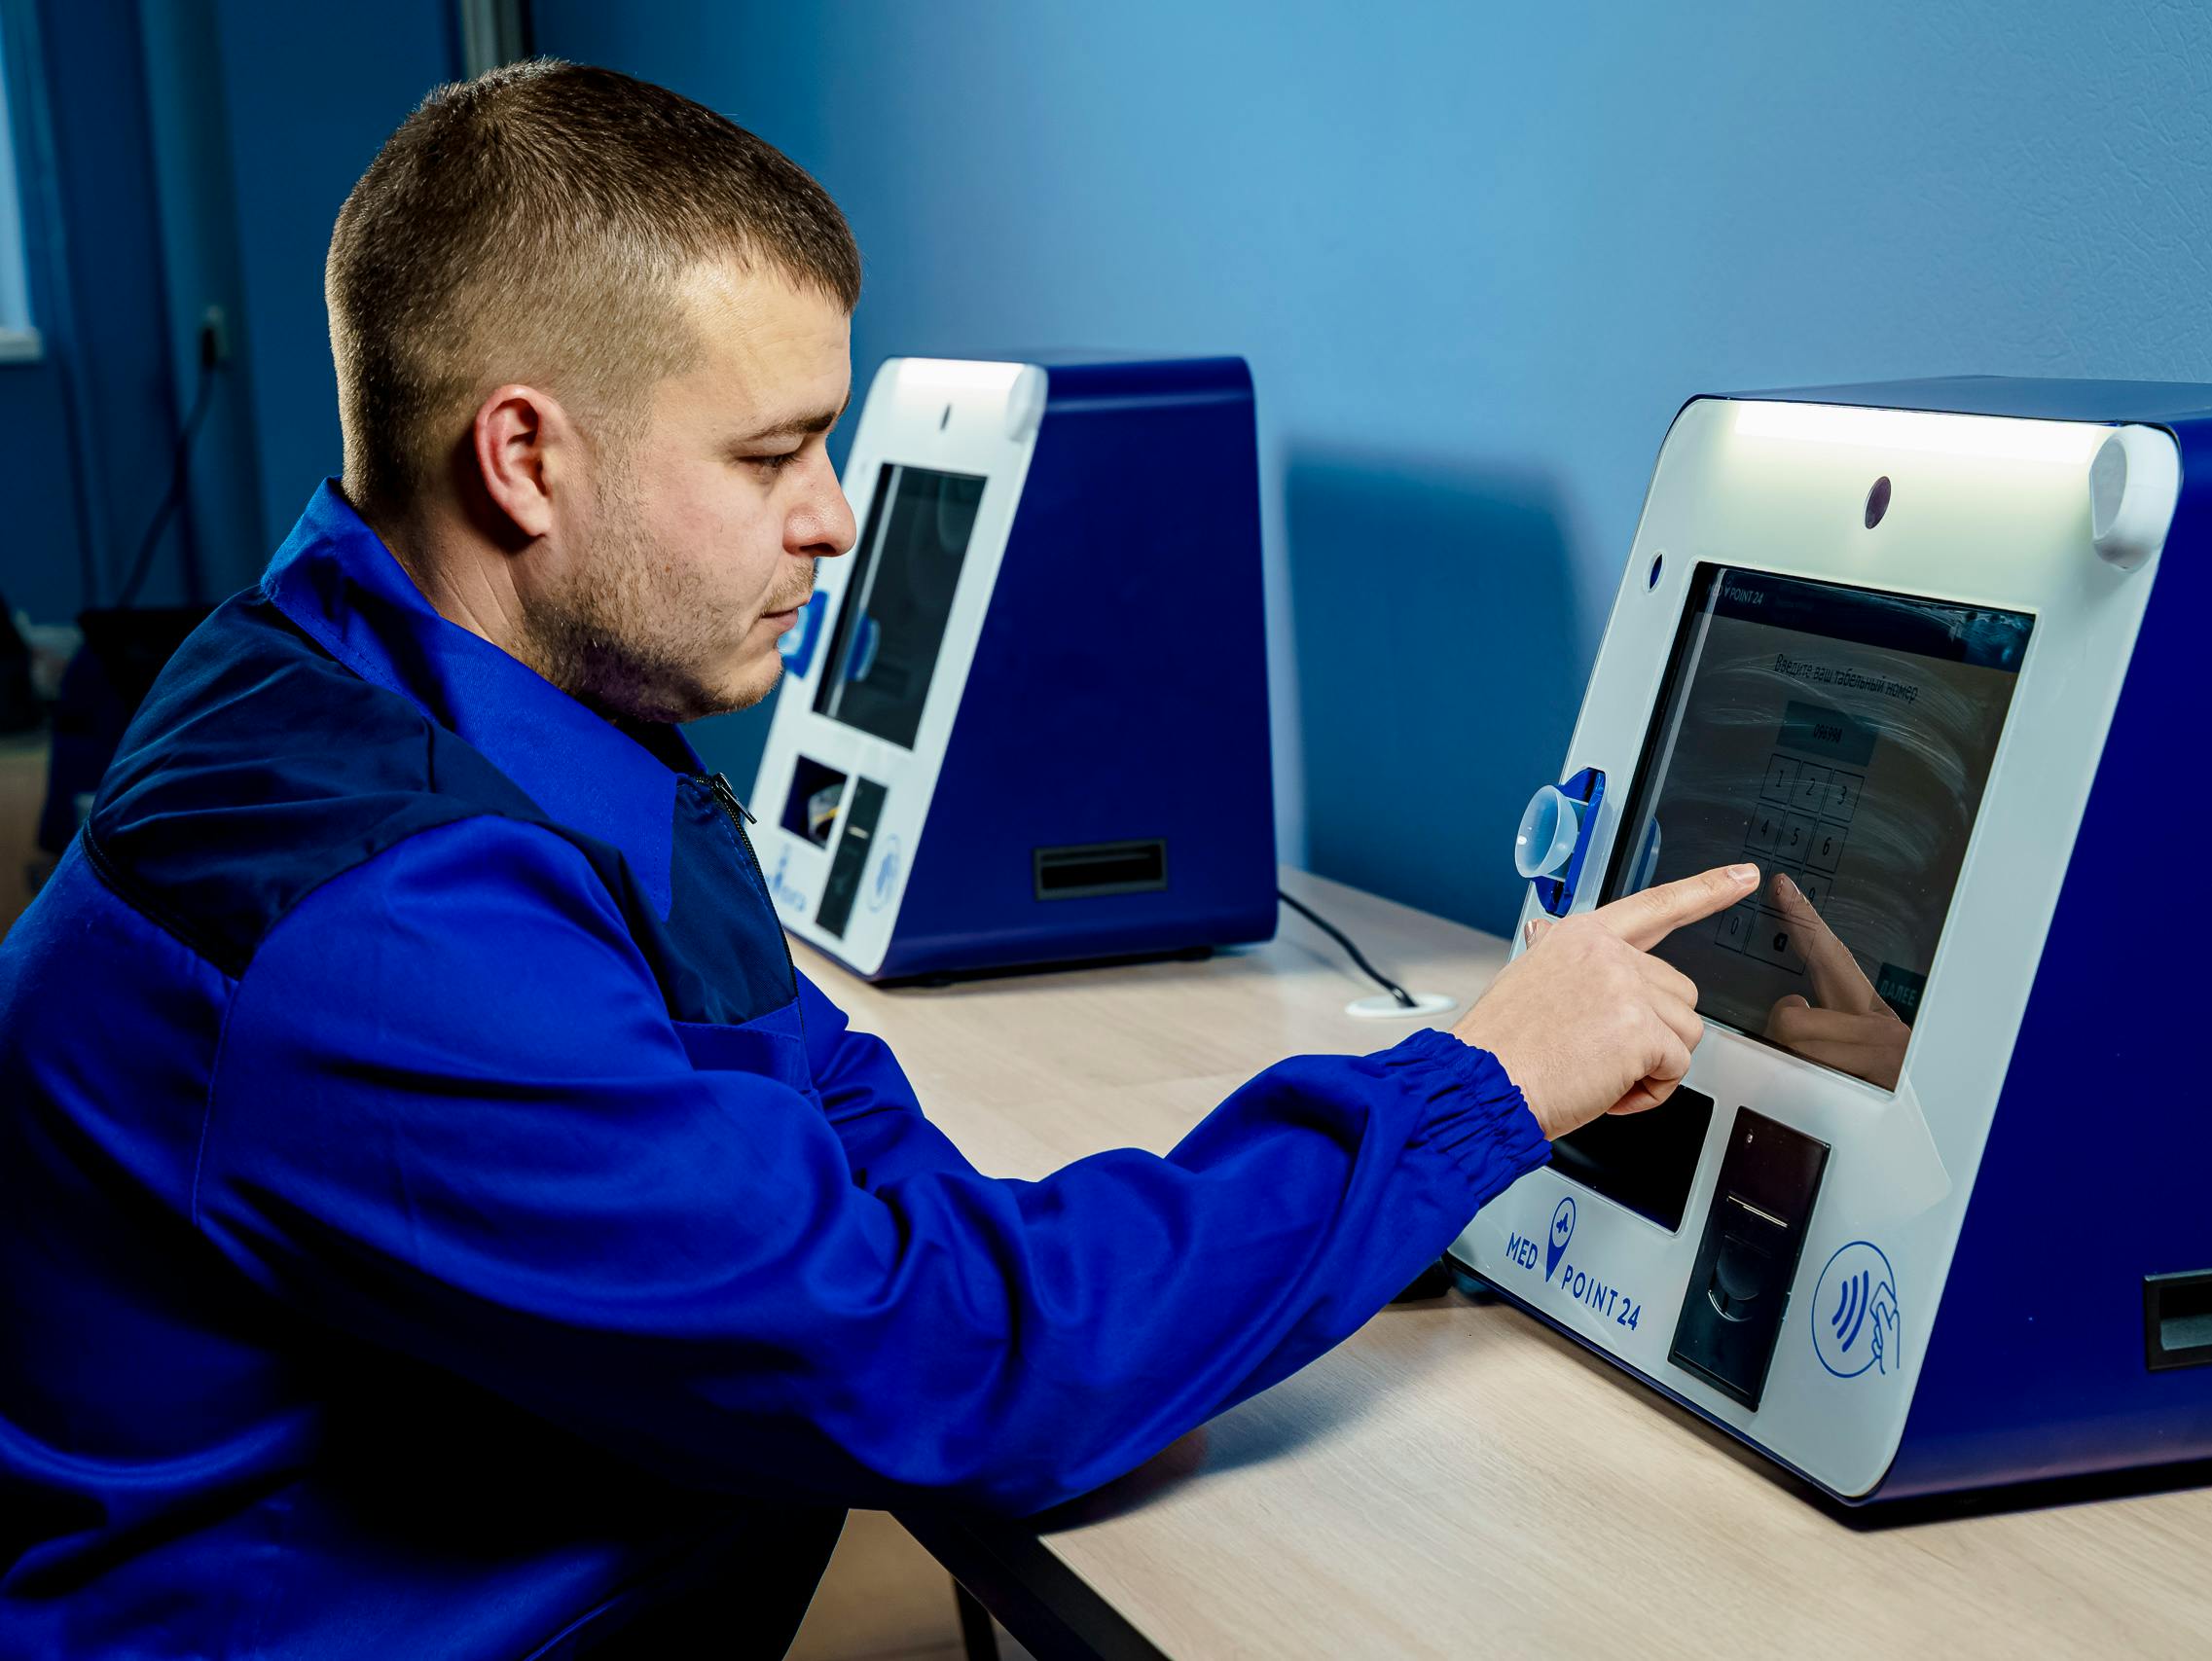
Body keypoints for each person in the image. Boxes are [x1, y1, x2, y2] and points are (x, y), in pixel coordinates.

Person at [0, 61, 1755, 1659]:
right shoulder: (384, 935)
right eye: (770, 453)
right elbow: (939, 1361)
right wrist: (1477, 1091)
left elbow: (833, 1124)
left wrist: (1175, 1308)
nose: (833, 512)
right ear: (523, 458)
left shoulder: (380, 683)